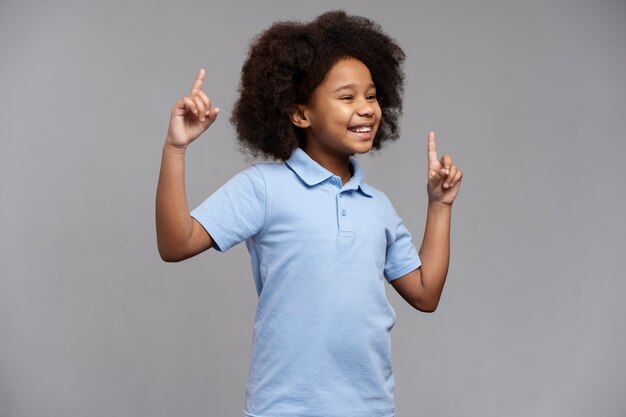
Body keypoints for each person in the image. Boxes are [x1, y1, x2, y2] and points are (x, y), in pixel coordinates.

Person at [155, 10, 462, 417]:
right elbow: (175, 243)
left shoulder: (378, 208)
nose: (367, 108)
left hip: (369, 409)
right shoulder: (264, 187)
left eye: (371, 95)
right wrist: (176, 149)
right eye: (347, 97)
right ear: (300, 114)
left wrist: (440, 206)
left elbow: (425, 293)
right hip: (282, 408)